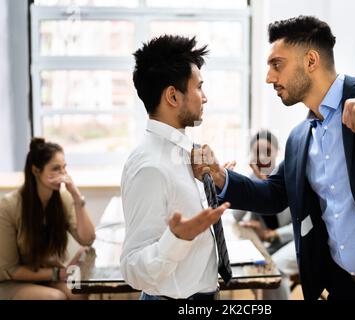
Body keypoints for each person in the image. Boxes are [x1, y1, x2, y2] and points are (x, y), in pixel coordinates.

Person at [192, 15, 355, 300]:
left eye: (277, 64)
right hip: (343, 288)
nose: (269, 78)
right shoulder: (299, 138)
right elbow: (273, 195)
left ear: (311, 61)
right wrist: (220, 177)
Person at [120, 35, 230, 300]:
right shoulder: (150, 167)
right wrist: (177, 238)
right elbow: (132, 268)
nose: (205, 97)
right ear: (172, 96)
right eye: (199, 88)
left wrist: (214, 181)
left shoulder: (183, 153)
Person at [0, 137, 96, 300]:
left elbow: (87, 239)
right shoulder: (8, 207)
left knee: (78, 295)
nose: (63, 175)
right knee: (55, 297)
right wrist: (59, 273)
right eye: (56, 169)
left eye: (64, 168)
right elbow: (10, 269)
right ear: (36, 170)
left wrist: (76, 196)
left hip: (48, 275)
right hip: (11, 281)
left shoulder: (63, 200)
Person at [232, 129, 297, 300]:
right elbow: (235, 216)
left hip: (297, 242)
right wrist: (254, 184)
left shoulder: (290, 178)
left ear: (277, 151)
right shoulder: (252, 180)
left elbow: (303, 224)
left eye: (267, 151)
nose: (262, 157)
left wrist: (271, 234)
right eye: (257, 152)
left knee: (273, 271)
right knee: (257, 267)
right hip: (273, 245)